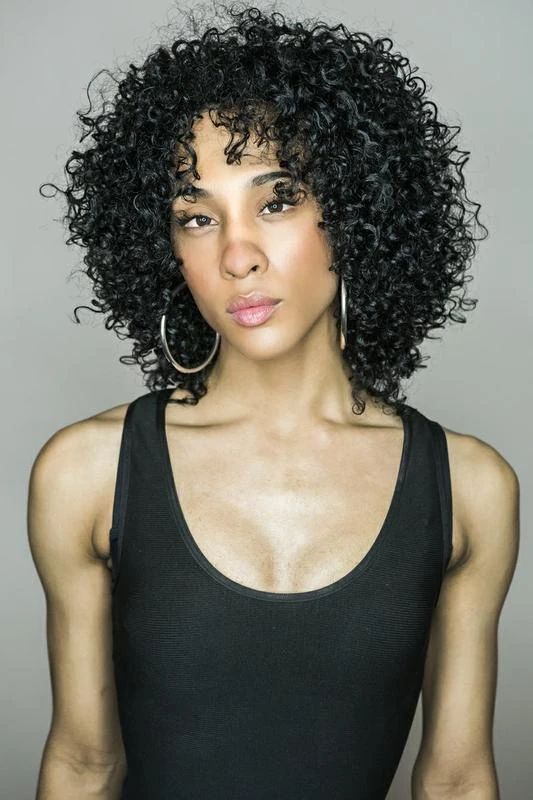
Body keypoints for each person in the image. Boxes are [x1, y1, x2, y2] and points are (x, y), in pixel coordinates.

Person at [28, 3, 520, 798]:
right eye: (197, 217)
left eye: (278, 200)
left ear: (355, 212)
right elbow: (85, 764)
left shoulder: (468, 489)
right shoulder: (86, 473)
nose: (237, 256)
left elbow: (457, 779)